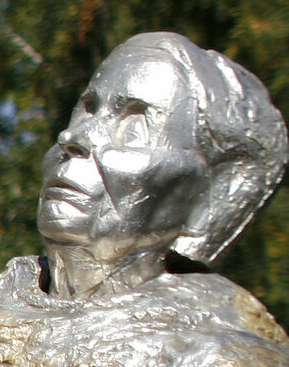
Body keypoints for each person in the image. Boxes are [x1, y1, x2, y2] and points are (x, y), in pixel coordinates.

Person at [37, 32, 287, 299]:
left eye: (134, 128)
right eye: (87, 111)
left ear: (217, 194)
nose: (69, 138)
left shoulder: (208, 341)